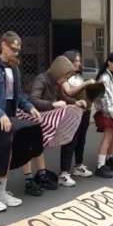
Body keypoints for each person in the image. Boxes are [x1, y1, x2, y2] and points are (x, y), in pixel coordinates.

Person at [0, 31, 41, 211]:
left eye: (18, 50)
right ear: (3, 44)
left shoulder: (13, 68)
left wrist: (30, 107)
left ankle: (1, 192)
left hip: (7, 118)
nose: (16, 52)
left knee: (6, 154)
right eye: (13, 49)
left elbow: (17, 96)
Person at [28, 55, 84, 187]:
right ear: (58, 72)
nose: (65, 80)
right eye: (64, 76)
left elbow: (62, 96)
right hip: (34, 115)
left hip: (45, 115)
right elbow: (33, 100)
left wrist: (76, 102)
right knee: (35, 146)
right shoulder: (41, 79)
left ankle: (41, 173)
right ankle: (32, 177)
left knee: (38, 146)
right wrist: (52, 104)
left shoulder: (55, 81)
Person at [61, 50, 96, 178]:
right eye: (75, 60)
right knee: (70, 140)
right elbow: (69, 92)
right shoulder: (63, 77)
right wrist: (86, 83)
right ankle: (64, 172)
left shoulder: (79, 75)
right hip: (72, 112)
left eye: (79, 60)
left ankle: (78, 165)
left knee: (81, 139)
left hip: (85, 111)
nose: (78, 63)